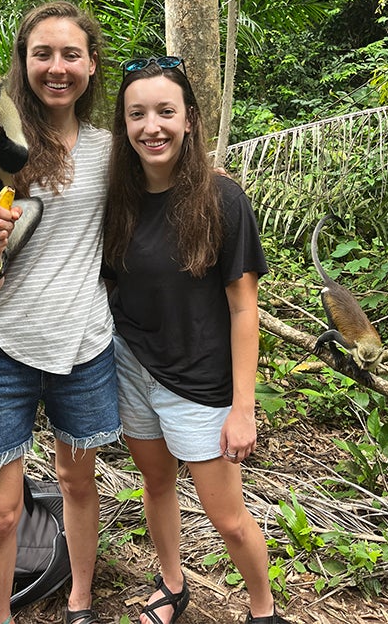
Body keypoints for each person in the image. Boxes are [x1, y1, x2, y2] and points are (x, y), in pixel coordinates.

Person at [102, 57, 292, 624]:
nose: (151, 126)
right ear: (124, 125)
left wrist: (243, 408)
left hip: (200, 383)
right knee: (156, 486)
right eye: (137, 114)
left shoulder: (222, 200)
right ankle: (173, 584)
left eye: (165, 111)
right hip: (131, 368)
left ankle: (263, 610)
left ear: (189, 120)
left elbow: (242, 307)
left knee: (228, 517)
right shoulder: (116, 200)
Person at [0, 1, 121, 624]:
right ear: (22, 63)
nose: (57, 67)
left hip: (83, 342)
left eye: (70, 54)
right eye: (42, 53)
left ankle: (79, 600)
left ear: (91, 64)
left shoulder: (111, 149)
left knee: (79, 484)